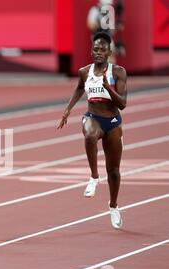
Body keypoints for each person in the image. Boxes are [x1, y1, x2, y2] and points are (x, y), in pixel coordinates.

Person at [57, 32, 127, 229]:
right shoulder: (84, 72)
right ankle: (94, 177)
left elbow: (122, 103)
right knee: (89, 134)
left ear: (109, 52)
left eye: (102, 49)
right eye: (95, 49)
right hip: (93, 117)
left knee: (113, 172)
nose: (98, 52)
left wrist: (107, 87)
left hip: (112, 122)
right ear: (91, 50)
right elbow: (80, 88)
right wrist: (67, 110)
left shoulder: (118, 72)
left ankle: (113, 206)